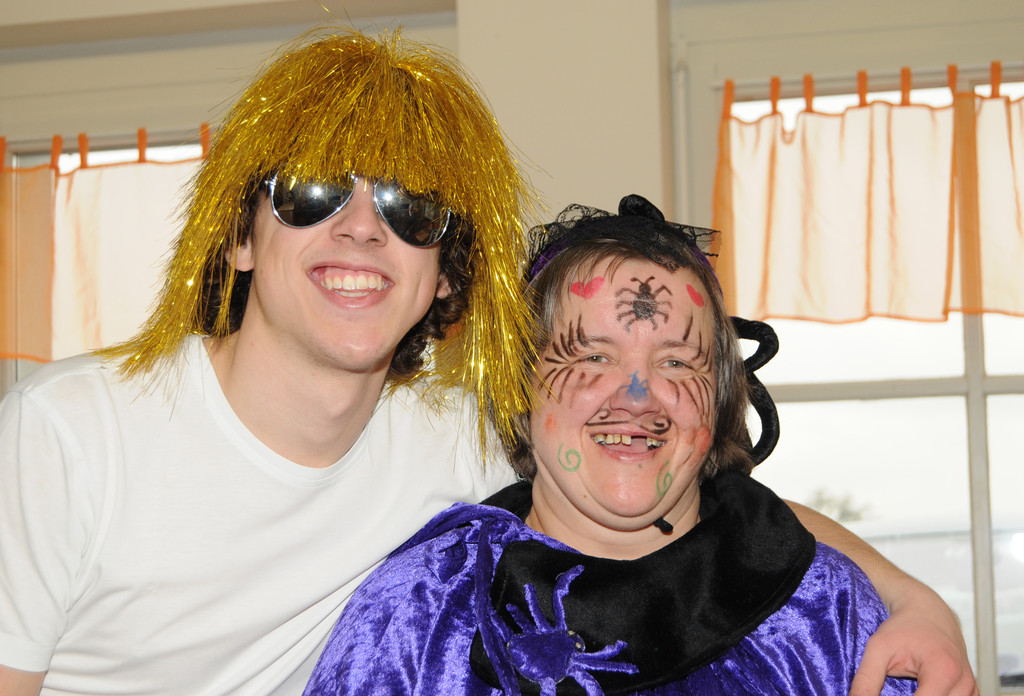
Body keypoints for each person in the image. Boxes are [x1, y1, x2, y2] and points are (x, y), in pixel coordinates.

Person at [0, 28, 975, 696]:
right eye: (312, 191)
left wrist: (917, 601)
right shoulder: (67, 436)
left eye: (409, 209)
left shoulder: (453, 434)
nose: (361, 230)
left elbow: (709, 497)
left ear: (443, 272)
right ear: (239, 236)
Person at [301, 196, 918, 695]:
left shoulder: (827, 611)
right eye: (593, 356)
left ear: (723, 396)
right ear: (521, 387)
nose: (638, 396)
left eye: (677, 362)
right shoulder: (420, 612)